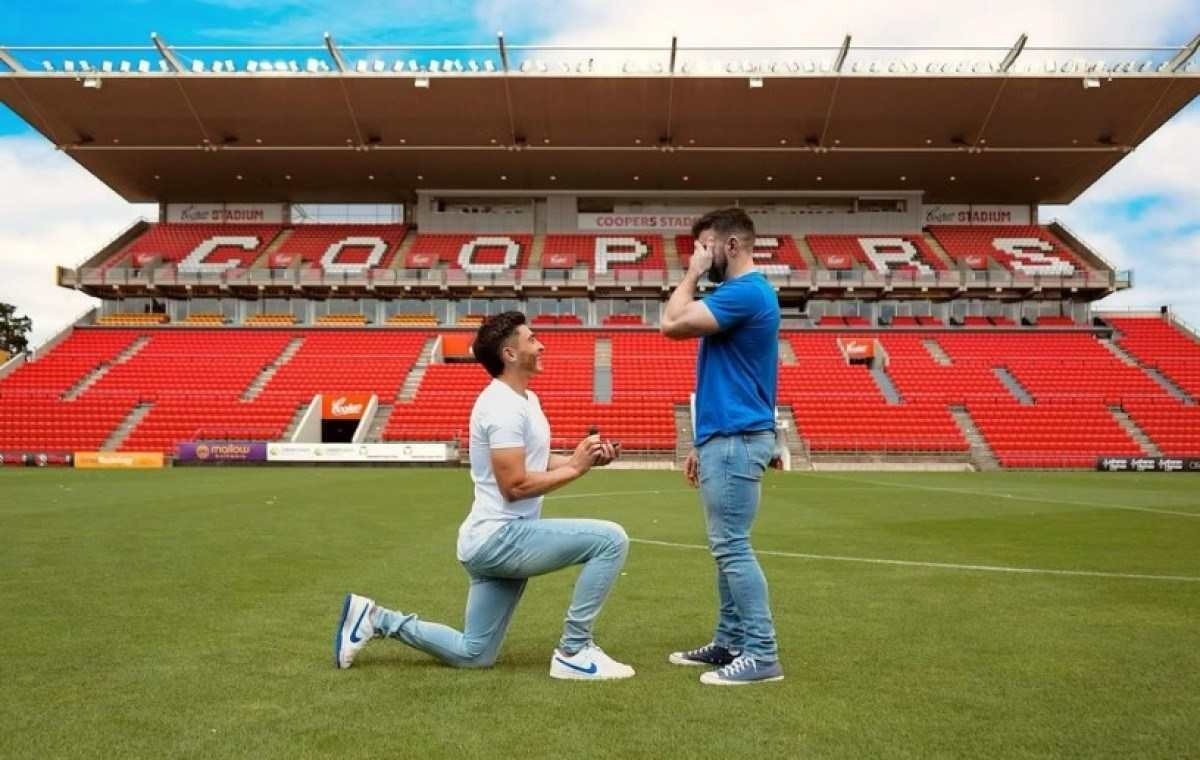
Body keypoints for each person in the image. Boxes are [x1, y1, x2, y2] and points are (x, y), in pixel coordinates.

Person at [334, 311, 635, 680]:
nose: (541, 344)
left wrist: (581, 459)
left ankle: (376, 619)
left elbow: (535, 462)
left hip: (491, 542)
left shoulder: (526, 400)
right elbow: (515, 486)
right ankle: (575, 650)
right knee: (611, 540)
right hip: (500, 538)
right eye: (531, 339)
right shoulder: (501, 406)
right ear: (509, 354)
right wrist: (575, 469)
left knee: (474, 653)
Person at [660, 207, 784, 685]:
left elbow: (669, 324)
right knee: (725, 546)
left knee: (731, 546)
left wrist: (690, 274)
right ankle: (731, 641)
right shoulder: (739, 293)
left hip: (736, 438)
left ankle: (762, 652)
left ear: (731, 246)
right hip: (723, 435)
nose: (699, 255)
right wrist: (700, 441)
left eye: (705, 245)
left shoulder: (745, 293)